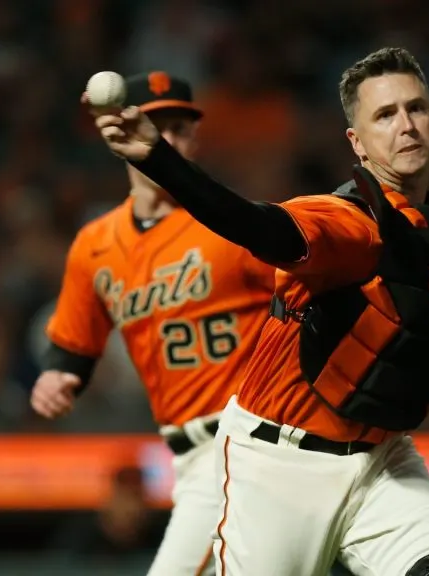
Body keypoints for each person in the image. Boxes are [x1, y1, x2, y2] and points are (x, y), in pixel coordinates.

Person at [89, 48, 429, 576]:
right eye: (385, 114)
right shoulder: (346, 223)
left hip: (382, 461)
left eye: (416, 108)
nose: (406, 125)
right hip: (278, 464)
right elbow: (255, 224)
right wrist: (159, 159)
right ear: (358, 141)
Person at [32, 71, 275, 576]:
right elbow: (75, 342)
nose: (166, 138)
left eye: (179, 127)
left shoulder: (233, 224)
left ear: (195, 137)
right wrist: (59, 373)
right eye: (154, 123)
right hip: (185, 460)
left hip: (248, 443)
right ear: (121, 132)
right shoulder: (95, 244)